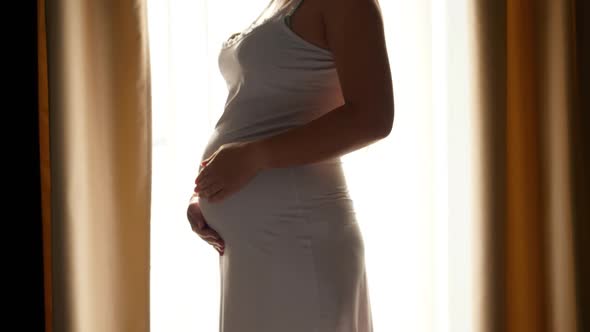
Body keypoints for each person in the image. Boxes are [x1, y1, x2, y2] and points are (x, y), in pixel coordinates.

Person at [186, 0, 393, 330]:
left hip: (299, 238)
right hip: (256, 248)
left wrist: (254, 157)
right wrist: (208, 190)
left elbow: (373, 117)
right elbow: (259, 107)